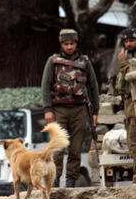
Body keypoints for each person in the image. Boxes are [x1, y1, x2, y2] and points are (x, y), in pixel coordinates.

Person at [41, 29, 99, 188]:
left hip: (79, 110)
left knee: (76, 148)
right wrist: (48, 109)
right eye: (66, 44)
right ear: (61, 44)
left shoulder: (85, 62)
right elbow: (45, 85)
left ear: (76, 44)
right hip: (59, 110)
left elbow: (93, 87)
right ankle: (54, 182)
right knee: (58, 148)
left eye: (72, 44)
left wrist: (95, 112)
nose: (69, 47)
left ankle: (71, 181)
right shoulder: (53, 61)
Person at [115, 28, 136, 183]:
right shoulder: (130, 57)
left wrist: (122, 63)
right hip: (129, 103)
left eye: (131, 41)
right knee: (132, 142)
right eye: (126, 42)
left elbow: (132, 75)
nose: (128, 44)